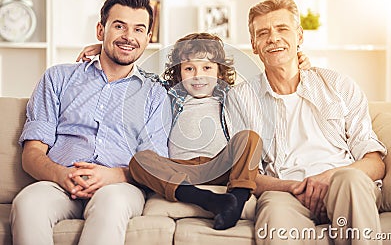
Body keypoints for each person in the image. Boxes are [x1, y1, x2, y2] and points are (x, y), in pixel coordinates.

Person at [77, 32, 312, 231]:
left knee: (249, 139)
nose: (198, 75)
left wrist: (296, 62)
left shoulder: (231, 95)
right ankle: (211, 200)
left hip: (220, 167)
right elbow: (140, 74)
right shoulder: (170, 94)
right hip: (179, 168)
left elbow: (266, 83)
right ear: (178, 74)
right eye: (189, 68)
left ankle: (237, 200)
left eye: (207, 67)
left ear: (220, 73)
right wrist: (106, 50)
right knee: (140, 161)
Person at [10, 0, 172, 245]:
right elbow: (32, 155)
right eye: (119, 26)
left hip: (119, 188)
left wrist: (115, 176)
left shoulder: (155, 94)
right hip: (60, 183)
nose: (129, 36)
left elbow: (156, 165)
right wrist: (62, 174)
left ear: (148, 37)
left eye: (138, 29)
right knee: (28, 203)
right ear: (101, 30)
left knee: (111, 203)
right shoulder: (58, 78)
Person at [226, 0, 386, 245]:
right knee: (274, 213)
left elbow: (374, 162)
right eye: (263, 33)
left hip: (344, 184)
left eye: (282, 29)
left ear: (299, 36)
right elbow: (246, 175)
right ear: (254, 44)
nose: (274, 38)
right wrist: (294, 187)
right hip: (286, 192)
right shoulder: (240, 98)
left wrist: (330, 178)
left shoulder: (337, 84)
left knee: (351, 180)